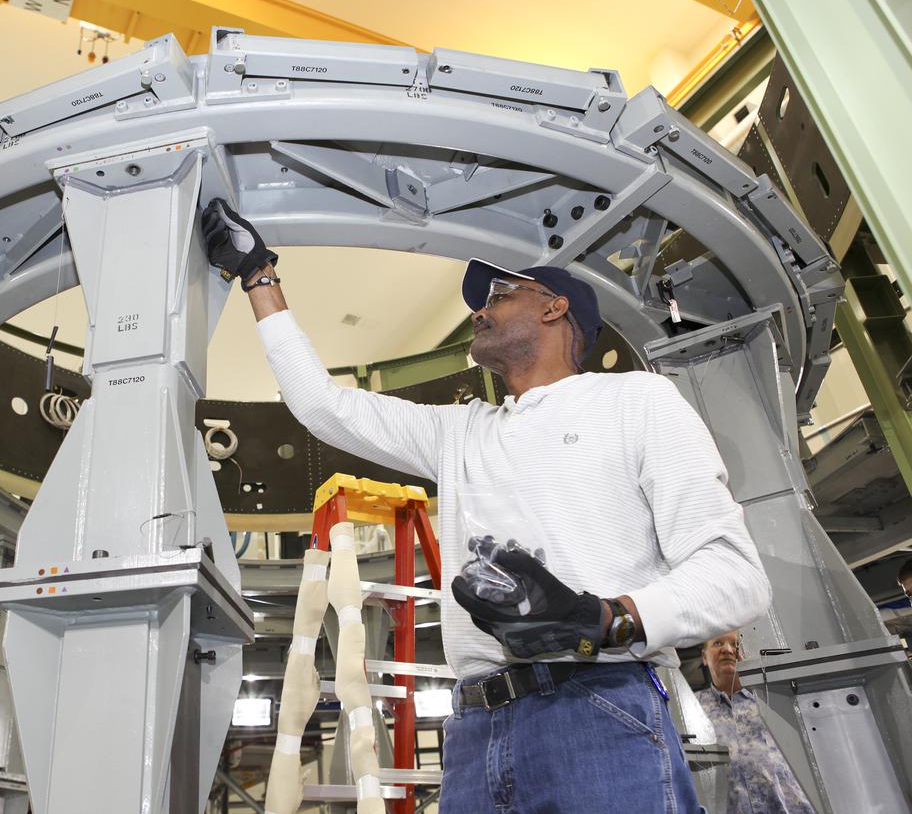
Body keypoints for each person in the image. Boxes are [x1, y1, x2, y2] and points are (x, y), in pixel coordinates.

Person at [202, 198, 773, 813]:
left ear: (555, 307)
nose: (478, 309)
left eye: (499, 293)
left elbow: (736, 577)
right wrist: (258, 275)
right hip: (476, 730)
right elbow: (323, 406)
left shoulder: (637, 401)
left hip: (599, 705)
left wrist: (605, 619)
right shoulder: (460, 432)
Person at [697, 631, 816, 813]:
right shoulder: (692, 709)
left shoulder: (778, 698)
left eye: (735, 644)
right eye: (718, 643)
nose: (728, 650)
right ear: (704, 657)